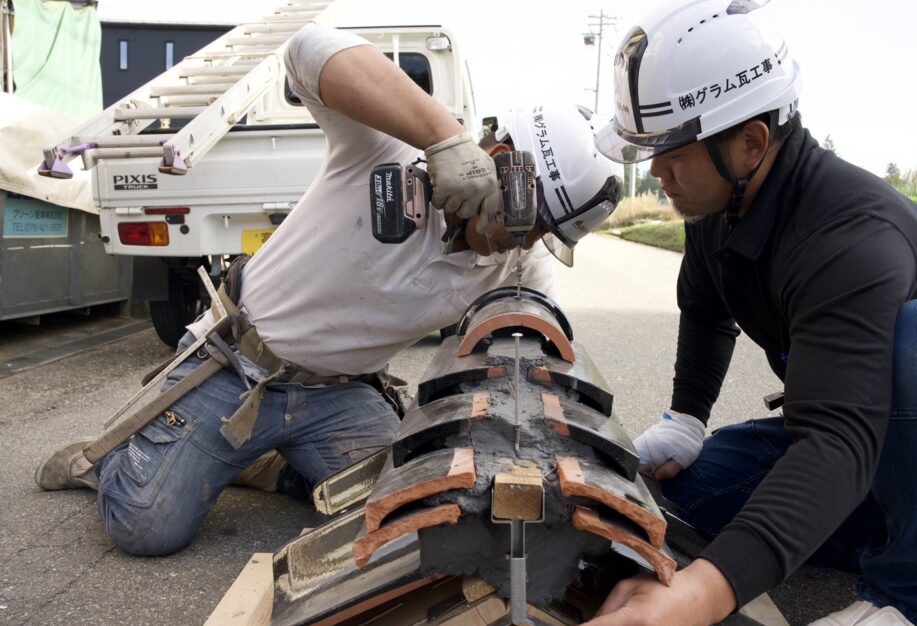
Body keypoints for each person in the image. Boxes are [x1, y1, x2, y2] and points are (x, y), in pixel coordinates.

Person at [542, 2, 917, 626]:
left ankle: (912, 596)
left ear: (751, 142)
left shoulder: (848, 232)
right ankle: (910, 537)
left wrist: (697, 599)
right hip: (870, 428)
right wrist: (685, 417)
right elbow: (707, 310)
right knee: (692, 494)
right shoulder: (719, 205)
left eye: (671, 154)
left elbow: (837, 441)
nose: (657, 175)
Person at [34, 25, 622, 557]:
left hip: (339, 397)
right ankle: (114, 457)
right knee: (147, 527)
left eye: (543, 234)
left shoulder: (517, 266)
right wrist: (443, 137)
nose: (522, 242)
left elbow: (537, 352)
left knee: (413, 506)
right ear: (498, 160)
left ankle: (268, 462)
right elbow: (306, 49)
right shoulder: (388, 150)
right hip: (238, 367)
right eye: (526, 219)